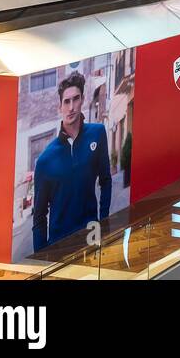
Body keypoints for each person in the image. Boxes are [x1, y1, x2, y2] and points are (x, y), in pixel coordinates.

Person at [30, 72, 112, 253]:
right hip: (60, 246)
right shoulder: (45, 160)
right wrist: (41, 261)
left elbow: (106, 181)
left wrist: (104, 223)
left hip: (92, 239)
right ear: (60, 106)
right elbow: (39, 218)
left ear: (82, 99)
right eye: (66, 102)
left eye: (75, 99)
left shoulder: (97, 134)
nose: (71, 107)